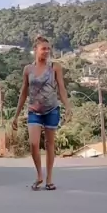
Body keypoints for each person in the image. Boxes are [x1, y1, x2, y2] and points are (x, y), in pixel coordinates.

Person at [12, 36, 71, 190]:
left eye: (48, 48)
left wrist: (68, 107)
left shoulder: (55, 67)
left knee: (50, 144)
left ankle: (49, 179)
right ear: (35, 50)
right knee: (33, 144)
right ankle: (39, 175)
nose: (46, 51)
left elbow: (62, 89)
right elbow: (23, 93)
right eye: (43, 48)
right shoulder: (28, 69)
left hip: (52, 110)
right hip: (34, 111)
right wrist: (16, 115)